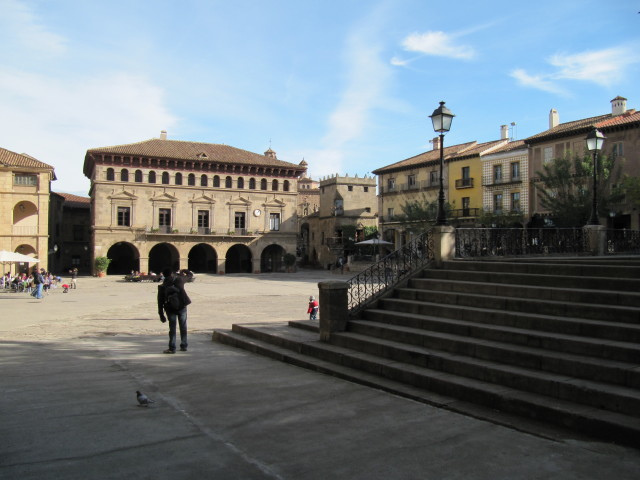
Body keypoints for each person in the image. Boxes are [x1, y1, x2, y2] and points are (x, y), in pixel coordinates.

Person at [157, 267, 191, 354]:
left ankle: (172, 348)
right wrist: (183, 271)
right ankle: (184, 346)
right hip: (182, 306)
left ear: (164, 276)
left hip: (170, 308)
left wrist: (161, 314)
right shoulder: (179, 280)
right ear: (172, 274)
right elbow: (190, 275)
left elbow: (160, 301)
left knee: (172, 328)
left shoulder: (163, 286)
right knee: (183, 326)